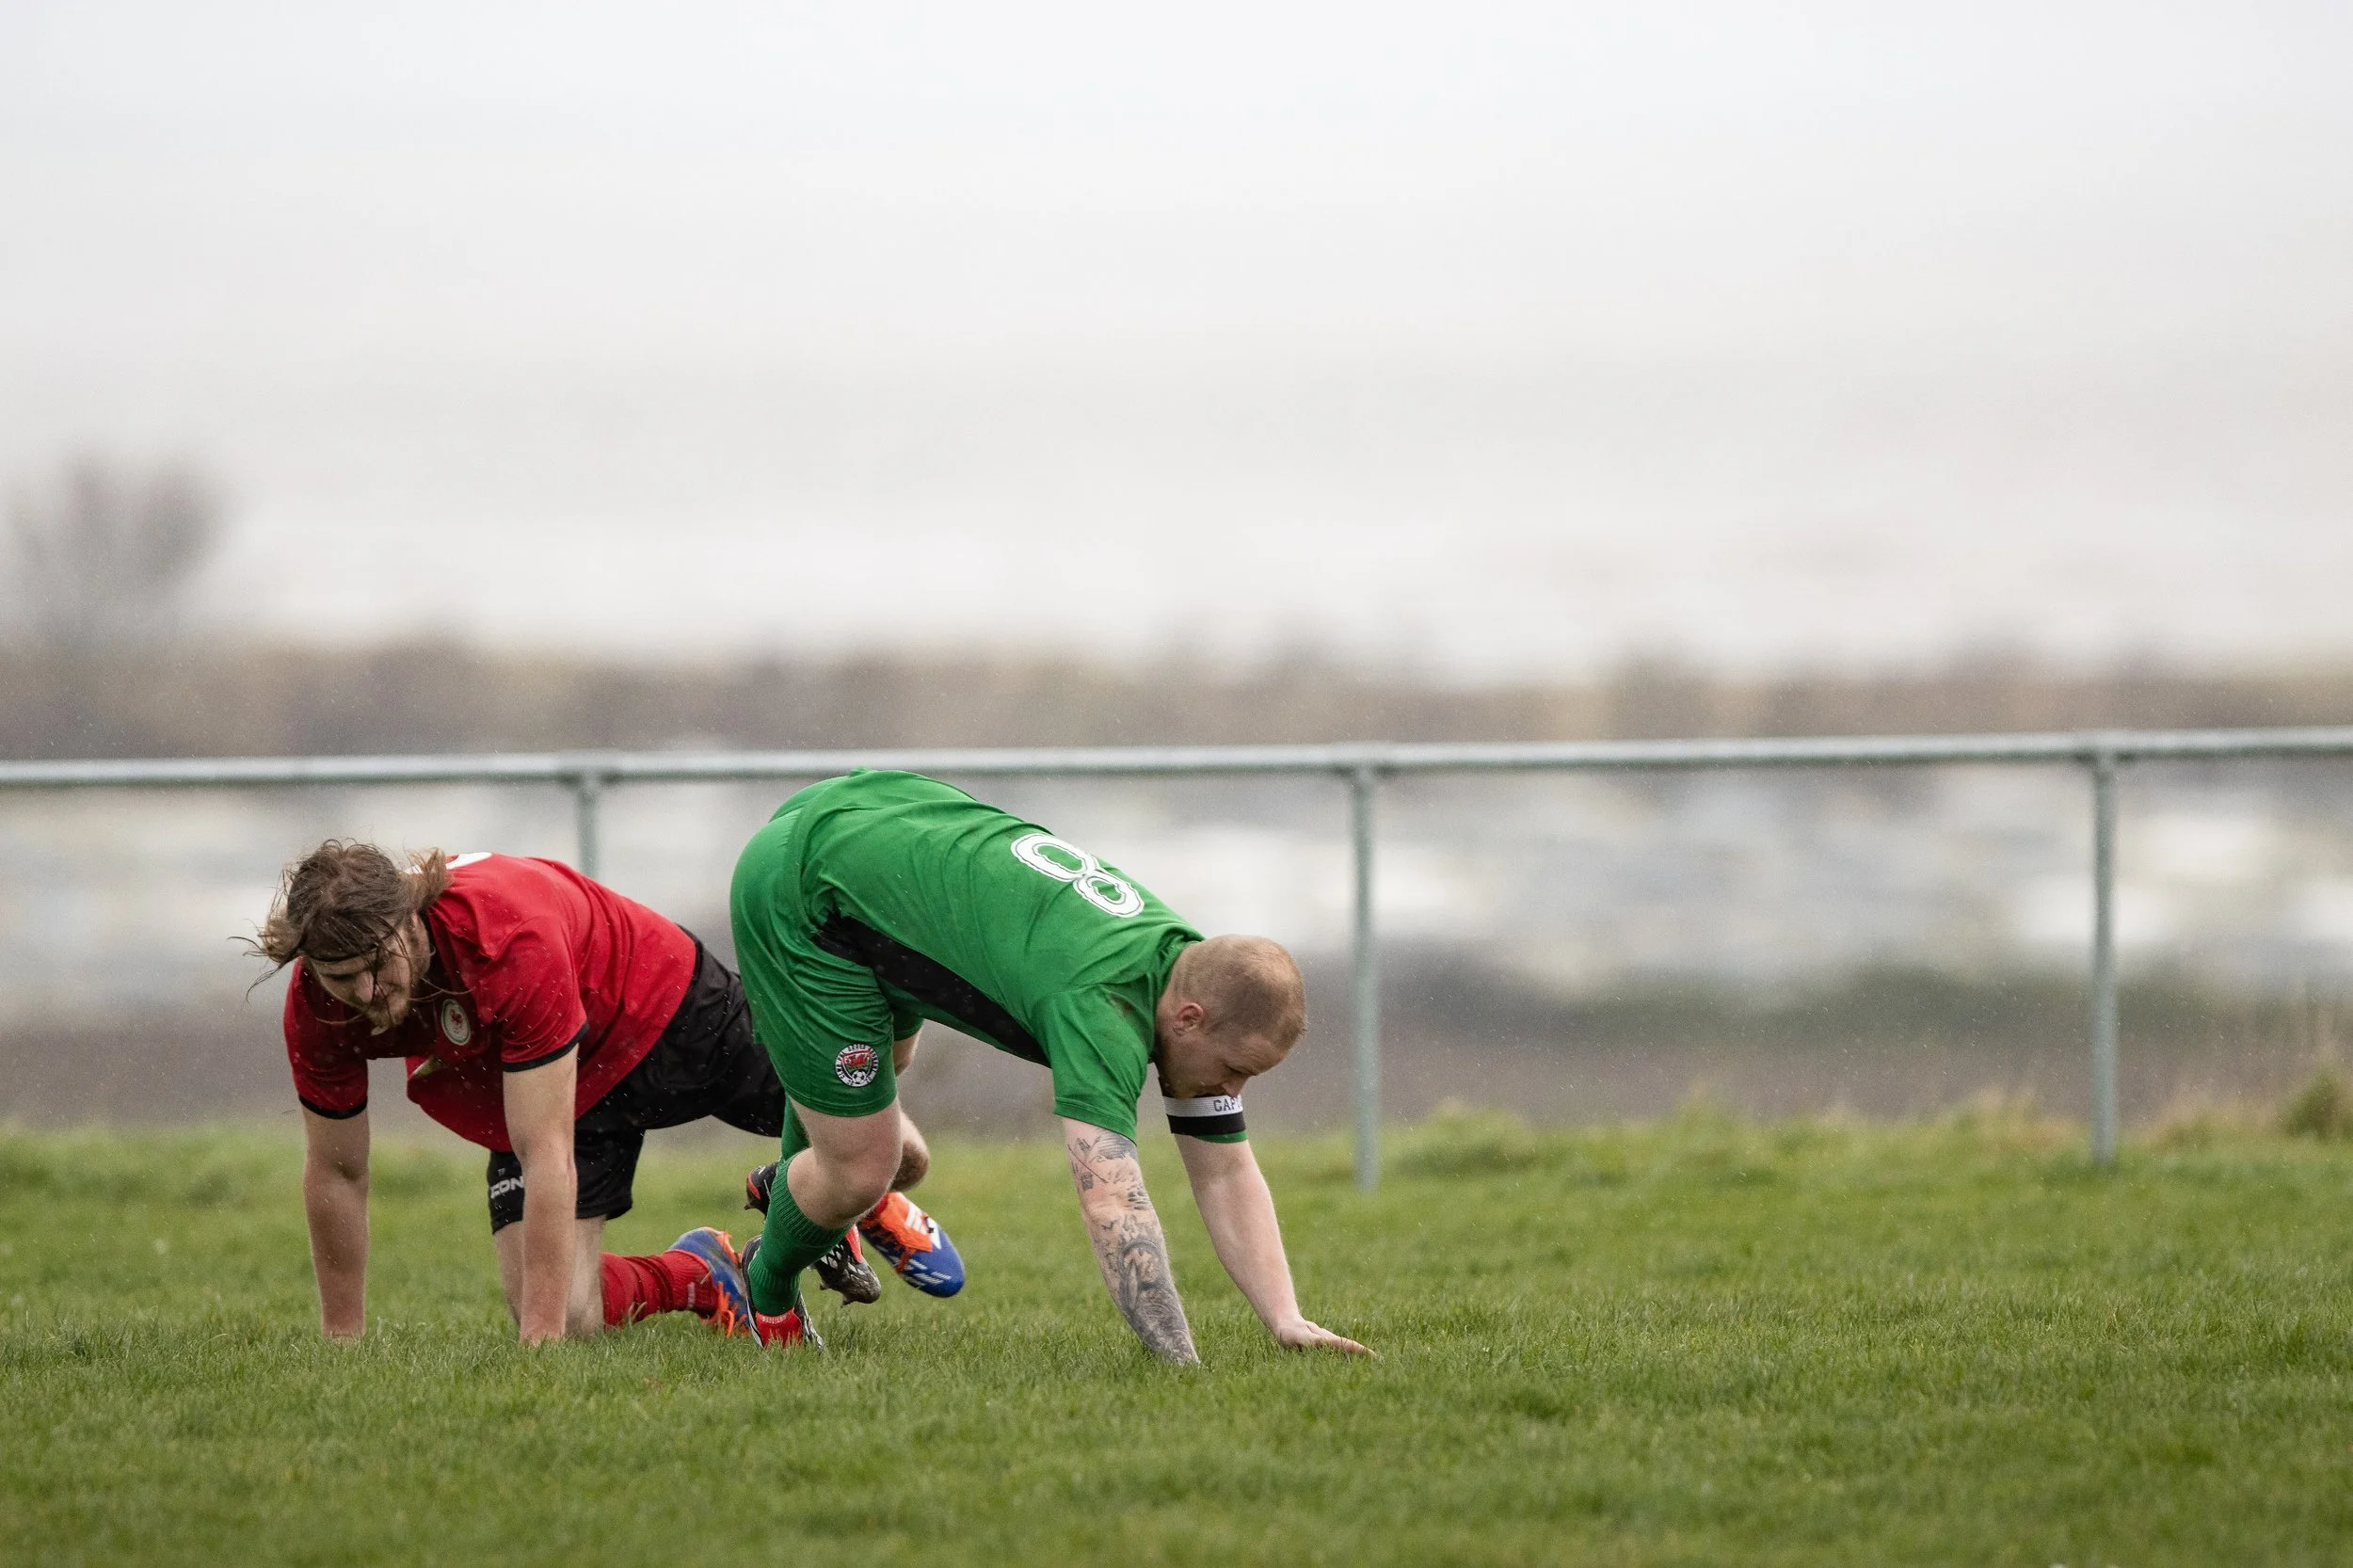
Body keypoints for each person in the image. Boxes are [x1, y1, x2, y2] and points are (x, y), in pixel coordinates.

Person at [728, 769, 1370, 1362]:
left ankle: (811, 1200)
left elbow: (1226, 1172)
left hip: (874, 827)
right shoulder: (1104, 1009)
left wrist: (1285, 1317)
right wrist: (1182, 1368)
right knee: (866, 1166)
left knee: (888, 1123)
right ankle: (765, 1287)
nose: (1232, 1090)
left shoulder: (1186, 971)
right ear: (1190, 1019)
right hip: (806, 888)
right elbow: (1114, 1207)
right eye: (1234, 1070)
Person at [252, 840, 962, 1346]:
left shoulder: (505, 940)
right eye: (344, 977)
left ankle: (804, 1192)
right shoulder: (319, 1004)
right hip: (561, 1079)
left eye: (379, 964)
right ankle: (708, 1272)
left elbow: (546, 1153)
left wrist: (538, 1351)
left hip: (665, 1009)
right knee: (567, 1311)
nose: (369, 994)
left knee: (898, 1153)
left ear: (411, 915)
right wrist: (340, 1340)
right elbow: (339, 1172)